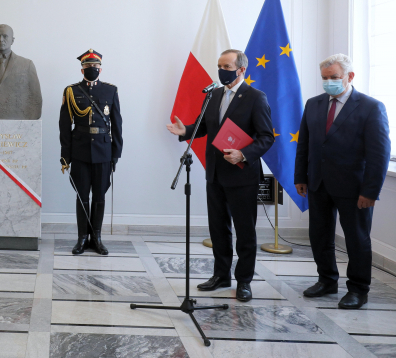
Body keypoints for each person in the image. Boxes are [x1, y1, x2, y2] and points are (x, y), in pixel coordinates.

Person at [167, 49, 274, 302]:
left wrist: (243, 154)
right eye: (219, 65)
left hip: (242, 176)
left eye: (226, 66)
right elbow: (205, 127)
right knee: (218, 229)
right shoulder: (213, 94)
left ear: (241, 69)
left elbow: (266, 137)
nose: (221, 70)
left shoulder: (256, 97)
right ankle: (221, 275)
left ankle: (244, 281)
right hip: (215, 174)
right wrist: (186, 130)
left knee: (245, 231)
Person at [294, 54, 390, 310]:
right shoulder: (313, 104)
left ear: (349, 76)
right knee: (319, 236)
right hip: (317, 183)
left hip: (354, 188)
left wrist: (370, 191)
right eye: (325, 78)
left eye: (334, 78)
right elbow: (304, 144)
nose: (329, 83)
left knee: (356, 239)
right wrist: (300, 176)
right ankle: (326, 280)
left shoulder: (371, 107)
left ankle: (358, 290)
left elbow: (379, 154)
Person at [59, 49, 123, 256]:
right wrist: (65, 155)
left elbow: (117, 124)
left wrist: (116, 154)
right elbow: (64, 125)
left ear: (100, 69)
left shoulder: (110, 91)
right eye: (88, 67)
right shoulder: (71, 91)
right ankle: (82, 238)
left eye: (95, 67)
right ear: (82, 69)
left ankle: (97, 237)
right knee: (82, 196)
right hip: (80, 150)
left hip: (103, 151)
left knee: (100, 196)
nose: (92, 69)